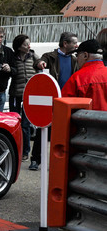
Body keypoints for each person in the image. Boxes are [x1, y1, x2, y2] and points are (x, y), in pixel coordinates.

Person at [28, 31, 79, 170]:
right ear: (65, 44)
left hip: (68, 102)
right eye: (74, 43)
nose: (76, 45)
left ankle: (61, 161)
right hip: (51, 101)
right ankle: (35, 160)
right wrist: (40, 64)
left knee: (65, 133)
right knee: (43, 130)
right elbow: (38, 61)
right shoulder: (50, 56)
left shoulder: (75, 60)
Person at [9, 34, 38, 161]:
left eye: (29, 43)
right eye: (25, 44)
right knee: (15, 123)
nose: (28, 46)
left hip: (29, 95)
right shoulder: (12, 58)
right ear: (19, 46)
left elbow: (40, 64)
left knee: (26, 125)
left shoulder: (33, 56)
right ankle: (14, 149)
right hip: (16, 93)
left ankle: (26, 151)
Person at [61, 39, 107, 111]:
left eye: (77, 55)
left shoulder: (77, 78)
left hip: (87, 121)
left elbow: (62, 106)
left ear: (85, 55)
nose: (77, 59)